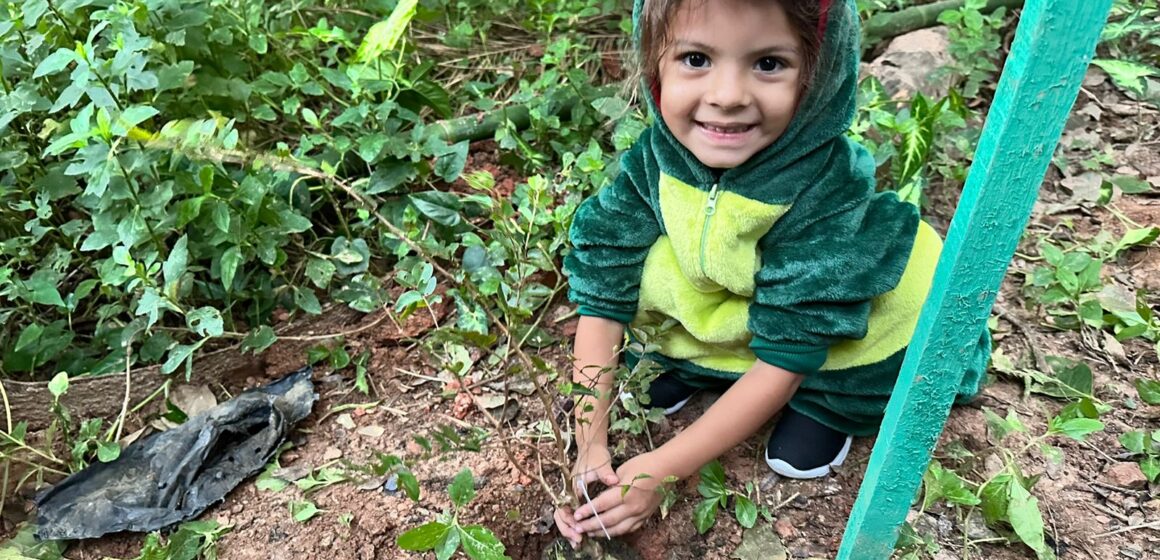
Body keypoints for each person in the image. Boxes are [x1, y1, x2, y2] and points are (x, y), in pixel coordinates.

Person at [554, 0, 990, 546]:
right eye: (695, 58)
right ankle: (704, 369)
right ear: (653, 66)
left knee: (855, 358)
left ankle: (828, 408)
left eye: (768, 64)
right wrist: (589, 440)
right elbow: (603, 288)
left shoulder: (824, 190)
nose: (728, 95)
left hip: (853, 328)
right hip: (747, 294)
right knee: (649, 265)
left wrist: (662, 469)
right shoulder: (656, 159)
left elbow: (790, 351)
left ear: (819, 72)